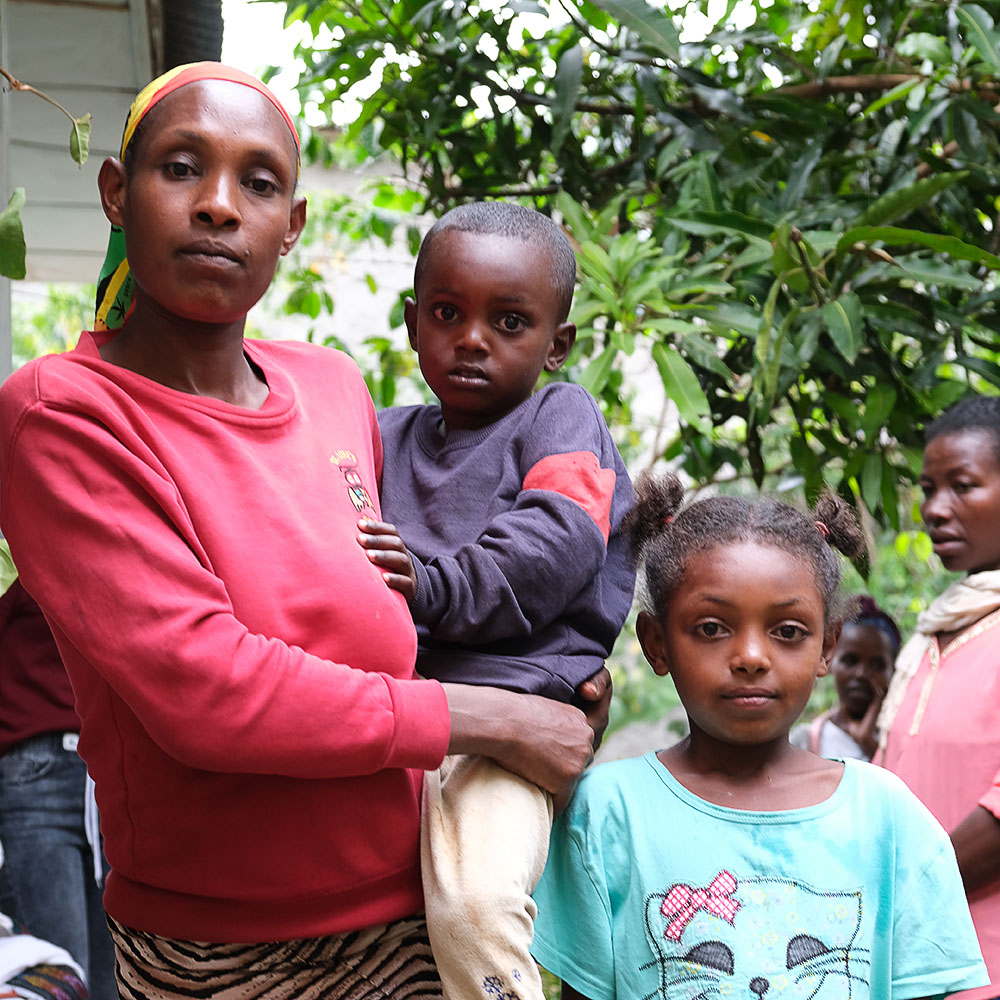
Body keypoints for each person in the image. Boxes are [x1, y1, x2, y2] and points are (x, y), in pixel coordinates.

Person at [0, 63, 607, 999]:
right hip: (224, 947)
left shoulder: (332, 388)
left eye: (259, 181)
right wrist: (503, 719)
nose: (216, 205)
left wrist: (549, 676)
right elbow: (210, 689)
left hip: (417, 906)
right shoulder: (66, 416)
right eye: (180, 168)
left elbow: (397, 617)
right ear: (117, 195)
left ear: (292, 225)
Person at [530, 472, 989, 1000]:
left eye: (788, 632)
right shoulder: (606, 812)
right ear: (656, 644)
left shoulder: (889, 819)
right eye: (711, 628)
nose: (751, 656)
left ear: (826, 647)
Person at [370, 201, 635, 1000]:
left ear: (558, 344)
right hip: (402, 718)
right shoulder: (383, 436)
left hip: (510, 731)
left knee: (476, 905)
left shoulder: (563, 418)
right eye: (448, 314)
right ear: (415, 323)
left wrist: (430, 582)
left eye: (509, 321)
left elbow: (556, 545)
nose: (473, 338)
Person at [877, 394, 1000, 986]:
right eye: (928, 489)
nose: (935, 509)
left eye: (963, 486)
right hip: (910, 966)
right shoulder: (934, 633)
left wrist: (904, 901)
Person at [0, 545, 116, 999]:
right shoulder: (15, 552)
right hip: (37, 770)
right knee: (61, 974)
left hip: (103, 776)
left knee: (114, 976)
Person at [790, 595, 900, 760]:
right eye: (850, 660)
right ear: (829, 662)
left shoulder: (905, 743)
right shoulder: (802, 743)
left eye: (877, 665)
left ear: (894, 671)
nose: (861, 674)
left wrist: (872, 746)